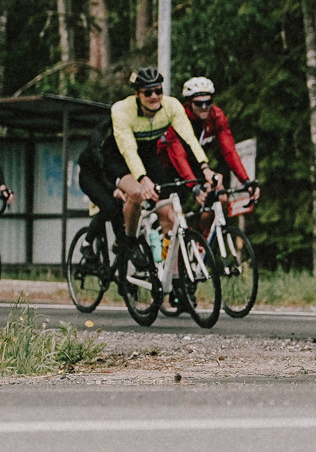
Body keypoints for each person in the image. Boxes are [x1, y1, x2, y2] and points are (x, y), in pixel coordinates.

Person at [79, 68, 215, 300]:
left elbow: (189, 139)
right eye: (148, 92)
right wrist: (143, 180)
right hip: (118, 159)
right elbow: (128, 150)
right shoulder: (122, 110)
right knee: (136, 194)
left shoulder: (171, 106)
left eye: (158, 91)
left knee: (169, 215)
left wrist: (205, 167)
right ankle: (130, 241)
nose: (154, 96)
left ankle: (173, 279)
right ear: (137, 94)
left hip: (148, 157)